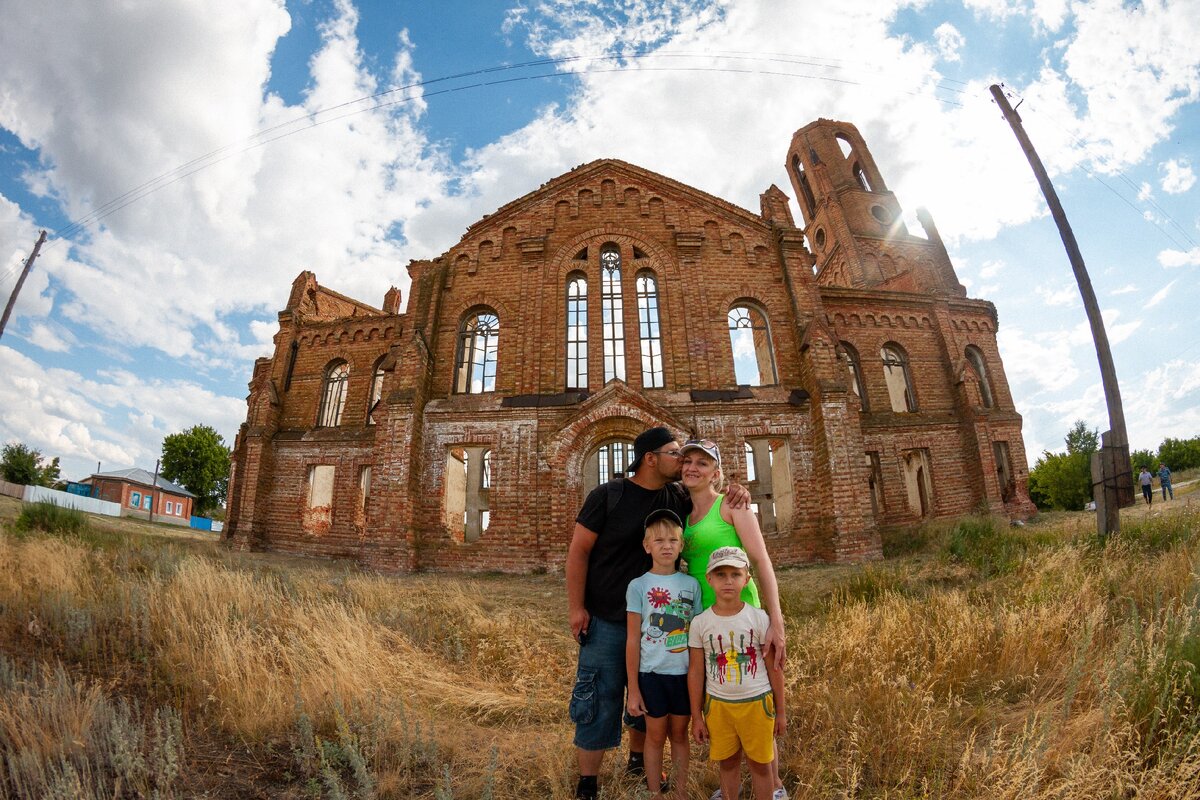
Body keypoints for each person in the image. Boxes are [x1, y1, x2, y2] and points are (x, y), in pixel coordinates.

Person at [567, 426, 751, 800]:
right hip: (606, 617)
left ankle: (639, 761)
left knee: (646, 695)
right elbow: (578, 552)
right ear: (650, 458)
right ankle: (588, 782)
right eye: (674, 453)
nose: (682, 460)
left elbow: (707, 494)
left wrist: (737, 488)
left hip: (657, 623)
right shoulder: (608, 495)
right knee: (598, 698)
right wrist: (576, 608)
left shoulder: (676, 497)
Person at [678, 438, 788, 800]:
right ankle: (731, 788)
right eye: (688, 461)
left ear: (717, 473)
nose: (693, 467)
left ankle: (773, 787)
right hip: (707, 618)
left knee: (759, 693)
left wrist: (776, 619)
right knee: (727, 691)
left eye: (703, 463)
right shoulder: (683, 513)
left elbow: (761, 560)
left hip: (744, 612)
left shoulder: (731, 505)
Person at [689, 546, 786, 800]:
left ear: (747, 579)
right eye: (720, 574)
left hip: (756, 704)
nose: (728, 581)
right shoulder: (700, 623)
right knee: (728, 763)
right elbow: (696, 671)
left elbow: (774, 668)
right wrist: (696, 715)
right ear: (709, 579)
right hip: (719, 706)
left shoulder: (760, 618)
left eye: (735, 574)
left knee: (760, 766)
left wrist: (781, 711)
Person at [626, 509, 701, 798]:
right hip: (651, 674)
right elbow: (633, 639)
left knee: (680, 735)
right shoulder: (638, 586)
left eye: (673, 540)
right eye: (658, 540)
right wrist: (633, 688)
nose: (666, 546)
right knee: (655, 737)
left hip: (683, 675)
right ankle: (656, 791)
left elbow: (695, 637)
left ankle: (681, 792)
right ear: (647, 546)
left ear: (681, 545)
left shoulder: (690, 585)